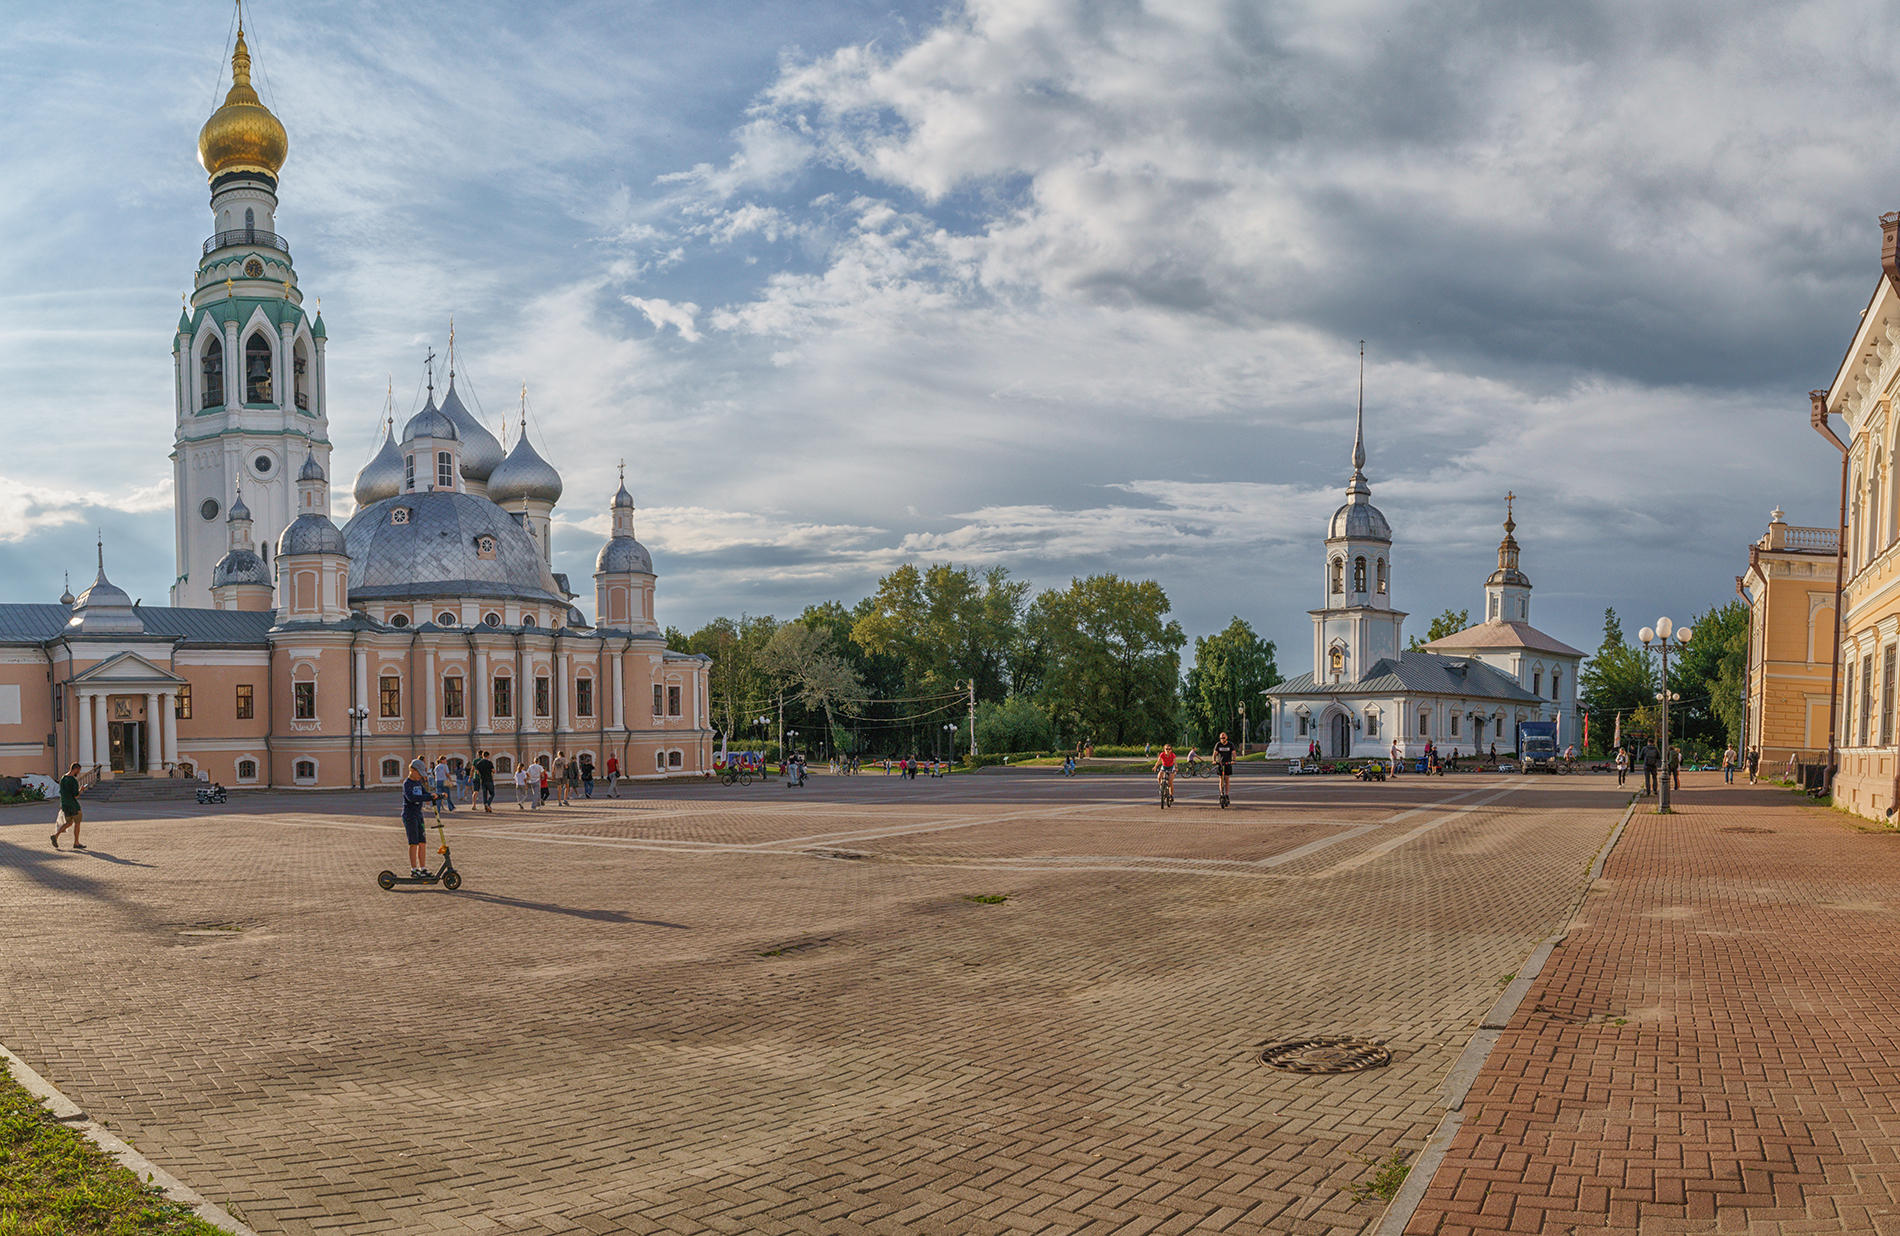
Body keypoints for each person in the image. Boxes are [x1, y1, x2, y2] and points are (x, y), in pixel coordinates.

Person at [401, 759, 438, 878]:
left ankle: (422, 868)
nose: (420, 777)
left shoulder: (418, 783)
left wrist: (437, 795)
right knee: (413, 843)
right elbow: (412, 798)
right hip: (409, 815)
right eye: (419, 774)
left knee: (422, 842)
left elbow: (425, 793)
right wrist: (427, 796)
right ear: (412, 770)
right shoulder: (407, 784)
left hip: (418, 815)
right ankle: (414, 869)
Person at [50, 762, 84, 850]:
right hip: (73, 805)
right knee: (77, 823)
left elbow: (61, 792)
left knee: (69, 822)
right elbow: (76, 795)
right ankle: (76, 843)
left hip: (65, 804)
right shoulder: (73, 780)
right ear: (75, 770)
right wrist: (81, 790)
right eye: (78, 771)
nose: (78, 773)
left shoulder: (63, 778)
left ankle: (56, 835)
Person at [1214, 730, 1236, 808]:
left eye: (1223, 738)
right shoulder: (1218, 745)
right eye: (1221, 738)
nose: (1222, 739)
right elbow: (1215, 753)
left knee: (1227, 779)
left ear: (1226, 737)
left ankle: (1226, 794)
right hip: (1220, 763)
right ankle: (1221, 793)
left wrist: (1233, 760)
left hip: (1227, 763)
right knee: (1221, 779)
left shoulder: (1230, 744)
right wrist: (1214, 760)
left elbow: (1233, 752)